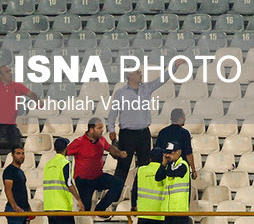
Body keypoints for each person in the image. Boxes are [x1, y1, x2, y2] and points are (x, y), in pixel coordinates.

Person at [108, 72, 164, 208]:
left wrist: (174, 67)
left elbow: (162, 80)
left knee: (144, 167)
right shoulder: (121, 93)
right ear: (130, 76)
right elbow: (113, 112)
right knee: (123, 167)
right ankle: (113, 199)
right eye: (137, 72)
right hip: (127, 134)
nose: (141, 74)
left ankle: (139, 198)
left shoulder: (147, 88)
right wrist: (111, 130)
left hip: (144, 133)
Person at [66, 118, 128, 216]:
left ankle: (100, 209)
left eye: (102, 128)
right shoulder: (79, 142)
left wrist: (120, 153)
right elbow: (65, 152)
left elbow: (110, 149)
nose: (102, 130)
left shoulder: (102, 139)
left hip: (98, 177)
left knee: (118, 184)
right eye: (99, 128)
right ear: (91, 129)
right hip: (84, 180)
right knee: (86, 209)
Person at [43, 137, 84, 224]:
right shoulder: (65, 163)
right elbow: (69, 183)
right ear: (66, 148)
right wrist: (79, 200)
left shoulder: (48, 164)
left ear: (54, 149)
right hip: (62, 206)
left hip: (49, 206)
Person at [154, 109, 197, 180]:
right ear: (180, 118)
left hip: (164, 168)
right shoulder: (185, 133)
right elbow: (188, 153)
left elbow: (158, 151)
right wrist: (193, 170)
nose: (185, 119)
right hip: (180, 170)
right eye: (184, 117)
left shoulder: (163, 132)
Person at [157, 142, 191, 224]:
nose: (168, 155)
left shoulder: (183, 165)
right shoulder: (170, 165)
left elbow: (171, 173)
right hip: (168, 210)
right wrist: (163, 164)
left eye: (170, 152)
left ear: (178, 152)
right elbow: (158, 177)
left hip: (179, 210)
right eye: (167, 152)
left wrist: (166, 164)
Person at [135, 146, 167, 224]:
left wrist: (133, 205)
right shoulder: (165, 171)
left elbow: (134, 189)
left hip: (143, 213)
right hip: (159, 213)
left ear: (150, 158)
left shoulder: (141, 170)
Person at [3, 146, 32, 224]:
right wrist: (14, 206)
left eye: (23, 153)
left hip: (23, 209)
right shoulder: (9, 170)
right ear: (12, 155)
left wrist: (28, 207)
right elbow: (8, 189)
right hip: (15, 211)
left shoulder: (20, 171)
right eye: (18, 153)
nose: (21, 156)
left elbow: (22, 190)